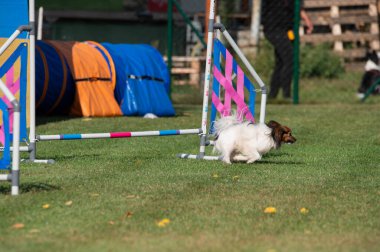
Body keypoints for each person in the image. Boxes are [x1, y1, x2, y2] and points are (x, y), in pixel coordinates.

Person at [261, 0, 313, 100]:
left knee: (280, 61)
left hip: (285, 30)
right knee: (290, 58)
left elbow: (298, 7)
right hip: (272, 29)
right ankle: (287, 94)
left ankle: (273, 94)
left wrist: (307, 21)